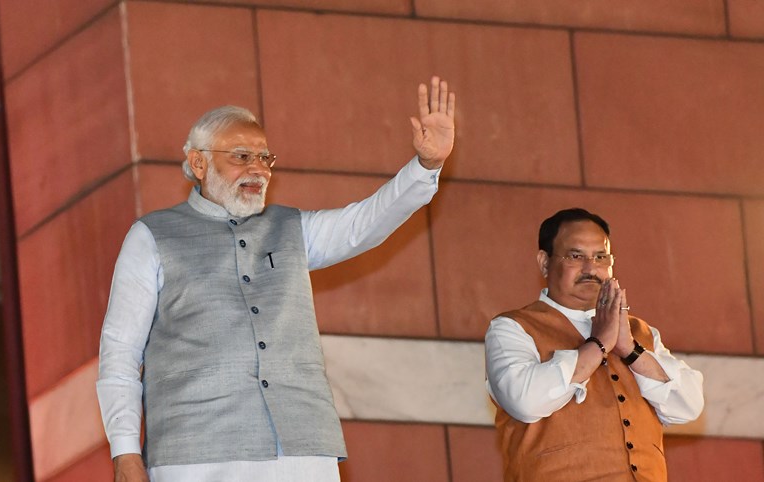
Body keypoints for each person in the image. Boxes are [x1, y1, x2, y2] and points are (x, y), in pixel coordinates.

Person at [97, 77, 455, 482]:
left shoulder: (292, 228)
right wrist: (125, 454)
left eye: (265, 158)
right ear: (199, 163)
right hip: (196, 455)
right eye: (242, 156)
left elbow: (364, 223)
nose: (258, 169)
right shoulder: (151, 236)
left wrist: (426, 166)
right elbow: (120, 354)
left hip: (303, 453)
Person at [485, 208, 704, 482]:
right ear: (544, 263)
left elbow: (689, 407)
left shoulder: (640, 333)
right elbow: (524, 401)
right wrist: (599, 343)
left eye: (600, 257)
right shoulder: (513, 328)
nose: (591, 269)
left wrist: (630, 350)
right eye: (576, 256)